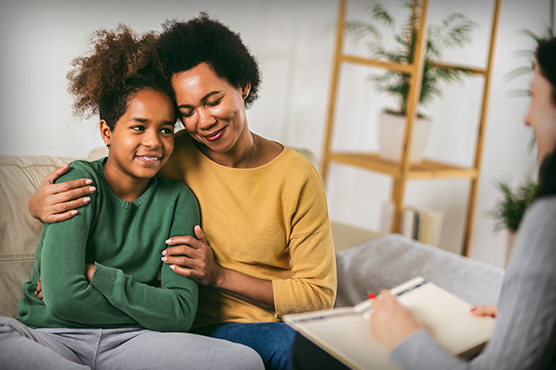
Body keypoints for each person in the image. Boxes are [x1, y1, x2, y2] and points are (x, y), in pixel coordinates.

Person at [27, 13, 337, 370]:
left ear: (244, 86)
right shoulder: (169, 154)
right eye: (187, 111)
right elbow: (112, 169)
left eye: (213, 100)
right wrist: (39, 206)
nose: (203, 121)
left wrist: (219, 276)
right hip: (181, 331)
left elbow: (318, 295)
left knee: (306, 349)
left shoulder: (296, 176)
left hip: (256, 326)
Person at [0, 25, 263, 370]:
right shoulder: (78, 182)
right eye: (139, 127)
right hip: (52, 335)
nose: (154, 141)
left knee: (243, 361)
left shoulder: (179, 201)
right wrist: (149, 307)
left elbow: (180, 314)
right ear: (107, 132)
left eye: (166, 129)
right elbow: (63, 300)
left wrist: (95, 274)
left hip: (133, 343)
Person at [290, 37, 556, 370]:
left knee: (312, 350)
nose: (527, 119)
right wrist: (526, 317)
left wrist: (407, 338)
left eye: (534, 97)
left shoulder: (548, 221)